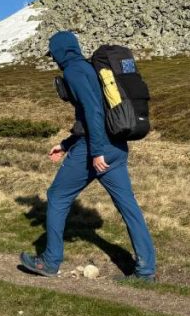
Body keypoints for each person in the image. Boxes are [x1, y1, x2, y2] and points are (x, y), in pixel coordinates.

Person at [20, 31, 157, 281]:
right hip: (117, 146)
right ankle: (146, 271)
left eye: (54, 54)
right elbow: (91, 115)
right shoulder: (90, 69)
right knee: (129, 207)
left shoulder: (73, 71)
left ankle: (50, 262)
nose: (54, 60)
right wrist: (65, 144)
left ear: (60, 52)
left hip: (96, 148)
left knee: (57, 196)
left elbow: (94, 112)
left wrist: (96, 152)